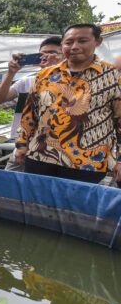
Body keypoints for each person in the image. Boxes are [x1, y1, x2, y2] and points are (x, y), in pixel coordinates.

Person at [15, 24, 121, 184]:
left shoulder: (113, 76)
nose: (75, 47)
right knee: (38, 206)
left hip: (86, 164)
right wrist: (21, 144)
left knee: (78, 208)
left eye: (83, 41)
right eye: (69, 42)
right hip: (40, 157)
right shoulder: (44, 75)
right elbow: (29, 114)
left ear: (98, 41)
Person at [0, 37, 64, 171]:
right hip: (22, 144)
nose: (46, 56)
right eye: (42, 53)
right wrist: (11, 72)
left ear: (64, 56)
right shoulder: (27, 82)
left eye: (53, 53)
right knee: (9, 182)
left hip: (51, 148)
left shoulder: (70, 84)